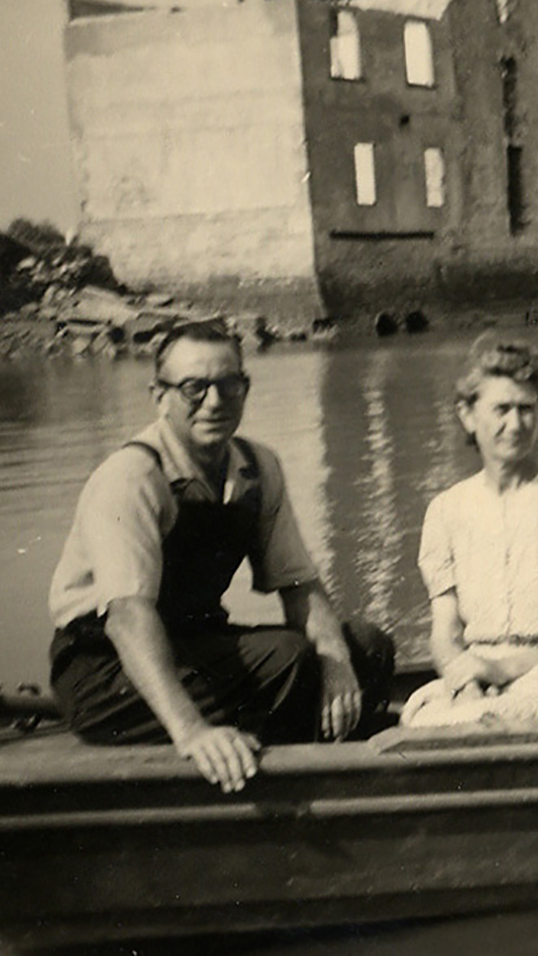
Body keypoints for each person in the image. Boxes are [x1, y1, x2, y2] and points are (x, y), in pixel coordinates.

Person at [48, 320, 395, 792]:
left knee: (365, 646)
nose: (215, 403)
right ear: (159, 394)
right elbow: (128, 618)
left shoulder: (257, 467)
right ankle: (274, 782)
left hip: (196, 649)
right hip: (106, 672)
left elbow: (298, 585)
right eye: (194, 388)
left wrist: (336, 661)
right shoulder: (132, 478)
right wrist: (192, 731)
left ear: (244, 387)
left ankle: (315, 774)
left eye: (229, 385)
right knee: (290, 660)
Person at [402, 336, 538, 730]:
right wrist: (465, 679)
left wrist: (503, 669)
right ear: (467, 416)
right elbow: (445, 633)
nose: (516, 424)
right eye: (501, 409)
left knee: (489, 727)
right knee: (423, 729)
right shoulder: (445, 512)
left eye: (527, 409)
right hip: (478, 683)